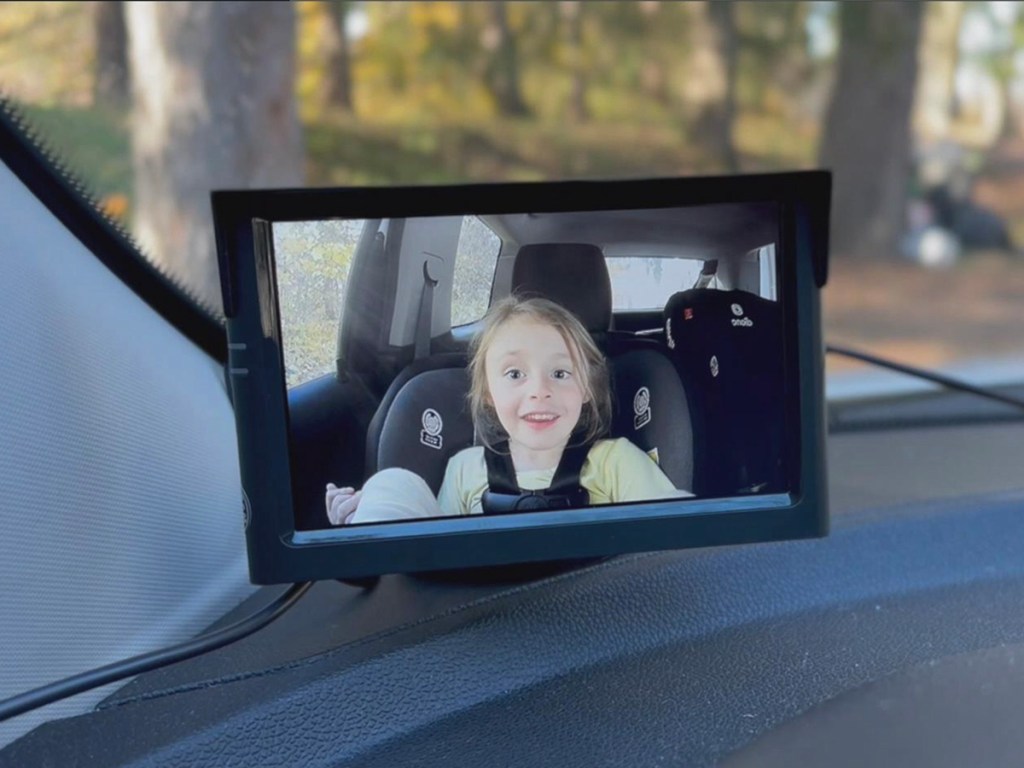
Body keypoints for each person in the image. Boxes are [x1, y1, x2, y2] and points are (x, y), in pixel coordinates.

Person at [326, 296, 689, 525]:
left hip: (595, 608)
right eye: (515, 374)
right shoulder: (465, 469)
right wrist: (374, 509)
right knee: (392, 483)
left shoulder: (616, 461)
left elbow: (677, 524)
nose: (540, 391)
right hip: (482, 616)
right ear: (488, 395)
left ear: (586, 391)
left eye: (560, 373)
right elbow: (435, 550)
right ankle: (368, 530)